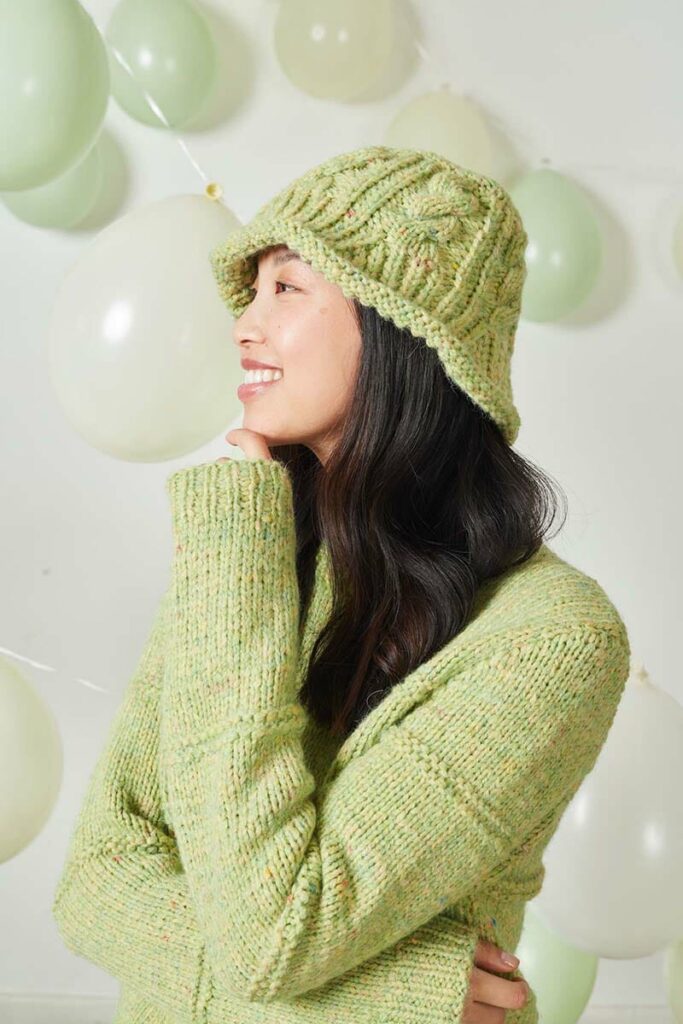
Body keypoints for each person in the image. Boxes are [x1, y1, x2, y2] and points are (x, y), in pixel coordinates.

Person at [52, 145, 630, 1024]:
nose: (244, 326)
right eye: (251, 292)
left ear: (407, 333)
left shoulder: (554, 640)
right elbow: (94, 880)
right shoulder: (253, 557)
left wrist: (262, 974)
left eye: (287, 287)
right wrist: (384, 1000)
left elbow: (268, 936)